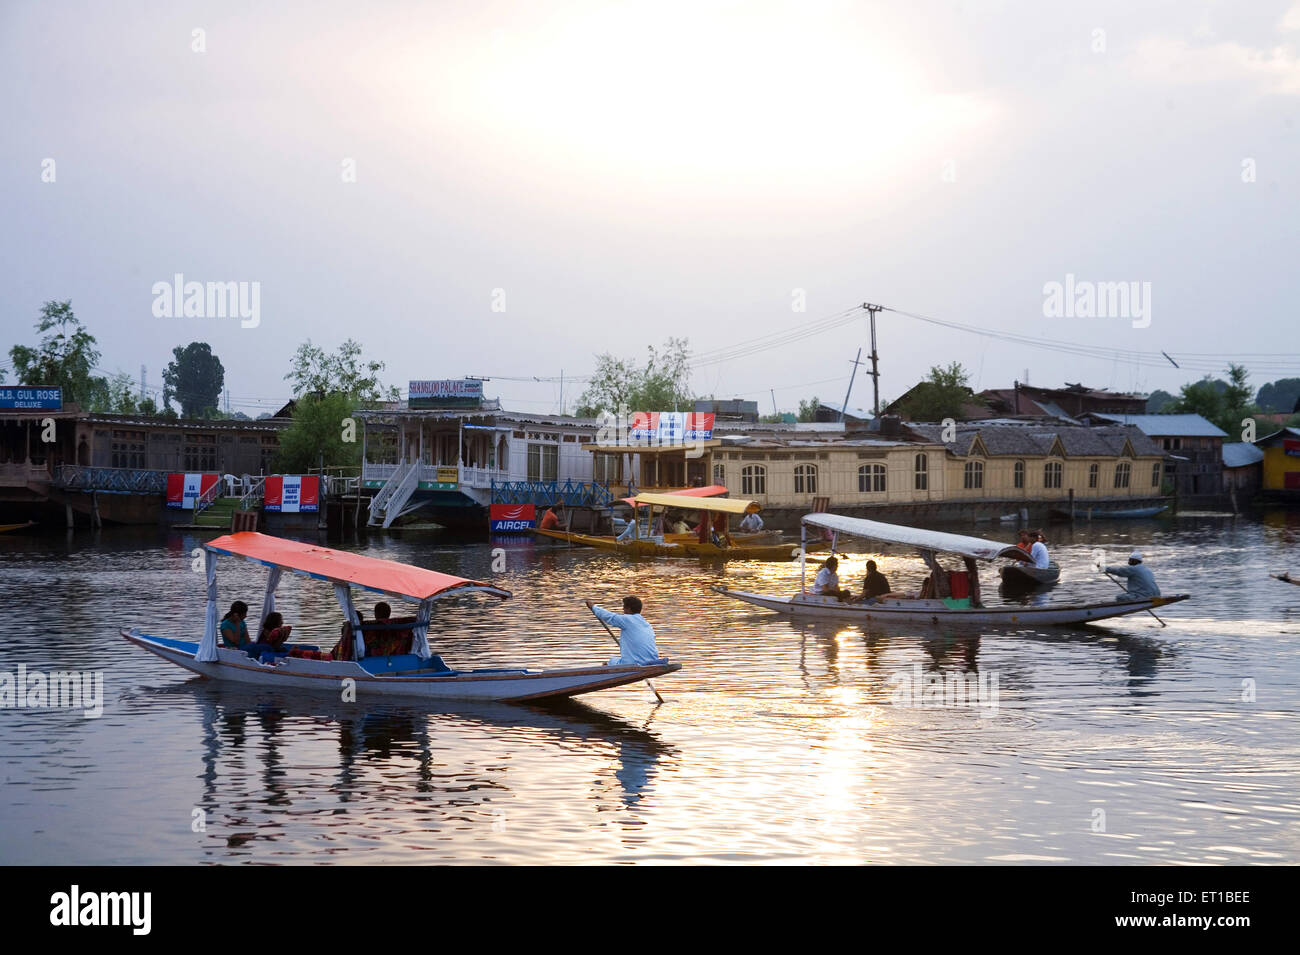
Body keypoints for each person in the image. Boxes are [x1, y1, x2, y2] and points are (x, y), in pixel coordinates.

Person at [584, 596, 661, 666]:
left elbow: (608, 616)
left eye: (624, 607)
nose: (623, 610)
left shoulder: (627, 619)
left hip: (635, 663)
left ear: (629, 609)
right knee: (614, 660)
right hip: (652, 660)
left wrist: (593, 607)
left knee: (608, 663)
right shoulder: (647, 624)